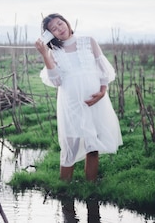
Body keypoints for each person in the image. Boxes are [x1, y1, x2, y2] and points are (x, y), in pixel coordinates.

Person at [35, 13, 122, 182]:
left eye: (60, 24)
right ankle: (64, 190)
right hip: (71, 104)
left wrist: (103, 91)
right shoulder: (54, 52)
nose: (59, 29)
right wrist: (45, 55)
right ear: (49, 35)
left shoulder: (88, 41)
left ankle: (91, 186)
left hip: (95, 101)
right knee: (71, 145)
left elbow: (103, 69)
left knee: (93, 145)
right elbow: (56, 80)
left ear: (66, 23)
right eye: (53, 29)